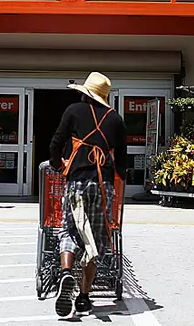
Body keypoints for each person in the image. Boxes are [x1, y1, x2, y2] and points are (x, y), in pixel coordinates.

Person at [48, 72, 127, 318]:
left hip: (76, 183)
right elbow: (122, 163)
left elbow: (55, 144)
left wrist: (58, 165)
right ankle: (83, 298)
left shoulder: (73, 110)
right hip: (102, 187)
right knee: (95, 239)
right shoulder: (116, 119)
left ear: (86, 94)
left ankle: (66, 273)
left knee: (69, 230)